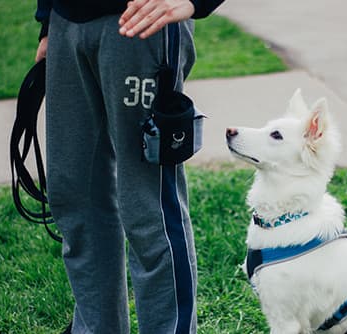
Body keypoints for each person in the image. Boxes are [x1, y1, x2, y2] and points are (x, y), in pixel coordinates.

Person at [33, 0, 224, 333]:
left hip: (140, 23)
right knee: (75, 196)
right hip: (66, 21)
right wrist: (48, 21)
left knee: (147, 205)